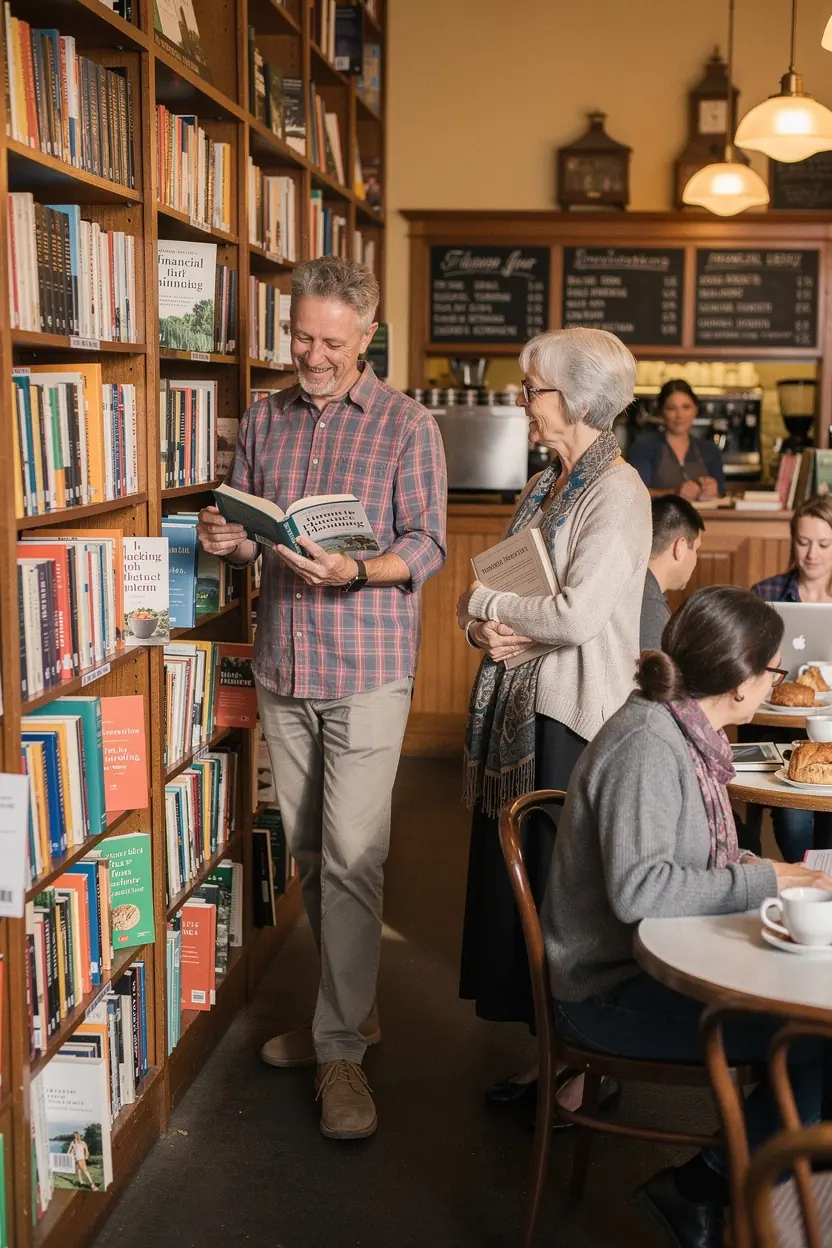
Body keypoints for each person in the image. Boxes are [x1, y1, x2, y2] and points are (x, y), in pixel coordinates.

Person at [196, 257, 447, 1141]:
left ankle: (339, 1050)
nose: (312, 355)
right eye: (301, 337)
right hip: (284, 664)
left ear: (366, 336)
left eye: (331, 343)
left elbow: (426, 544)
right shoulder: (265, 417)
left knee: (352, 857)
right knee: (307, 849)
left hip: (368, 664)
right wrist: (228, 539)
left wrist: (356, 570)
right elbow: (251, 538)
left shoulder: (408, 425)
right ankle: (350, 1013)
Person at [542, 586, 831, 1248]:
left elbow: (693, 856)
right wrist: (767, 878)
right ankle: (709, 1193)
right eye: (774, 670)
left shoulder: (679, 730)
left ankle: (762, 1194)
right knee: (815, 1039)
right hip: (605, 991)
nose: (776, 682)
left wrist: (772, 871)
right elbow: (641, 893)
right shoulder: (648, 746)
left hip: (648, 962)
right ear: (739, 682)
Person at [456, 326, 651, 1107]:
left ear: (571, 399)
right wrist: (483, 627)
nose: (522, 400)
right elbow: (495, 596)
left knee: (567, 905)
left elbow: (573, 615)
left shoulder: (618, 492)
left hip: (572, 720)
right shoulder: (545, 484)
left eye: (531, 388)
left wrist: (487, 605)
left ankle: (589, 1066)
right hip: (520, 709)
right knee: (526, 898)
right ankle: (553, 1055)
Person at [749, 494, 832, 861]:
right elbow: (746, 668)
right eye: (803, 542)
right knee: (793, 822)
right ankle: (808, 875)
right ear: (792, 541)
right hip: (780, 732)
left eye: (824, 544)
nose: (812, 554)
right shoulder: (765, 595)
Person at [629, 379, 726, 501]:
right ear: (661, 412)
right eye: (671, 408)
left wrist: (713, 492)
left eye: (686, 407)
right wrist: (675, 492)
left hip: (703, 514)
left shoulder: (710, 450)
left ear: (695, 410)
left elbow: (722, 495)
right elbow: (635, 494)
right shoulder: (644, 447)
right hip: (659, 514)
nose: (679, 415)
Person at [640, 494, 705, 651]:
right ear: (680, 547)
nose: (695, 559)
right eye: (696, 550)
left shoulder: (636, 583)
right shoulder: (651, 607)